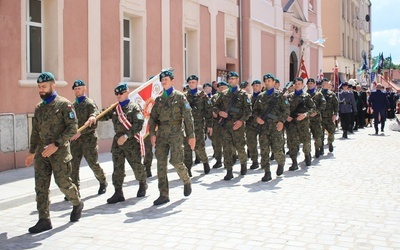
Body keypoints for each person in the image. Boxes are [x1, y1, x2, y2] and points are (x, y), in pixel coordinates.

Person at [25, 72, 83, 234]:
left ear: (53, 86)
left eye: (44, 87)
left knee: (63, 183)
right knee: (41, 187)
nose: (41, 90)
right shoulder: (39, 108)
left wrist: (56, 144)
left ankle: (77, 202)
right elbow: (35, 132)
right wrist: (31, 152)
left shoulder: (64, 105)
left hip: (59, 152)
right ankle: (44, 220)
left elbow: (72, 128)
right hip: (42, 153)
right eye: (39, 87)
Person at [149, 70, 194, 205]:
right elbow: (153, 118)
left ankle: (186, 180)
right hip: (162, 134)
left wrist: (191, 135)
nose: (164, 82)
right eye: (162, 80)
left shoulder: (180, 97)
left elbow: (188, 117)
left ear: (172, 80)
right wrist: (152, 134)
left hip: (176, 134)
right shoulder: (159, 99)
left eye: (166, 79)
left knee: (176, 161)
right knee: (161, 164)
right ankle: (163, 194)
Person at [97, 82, 148, 204]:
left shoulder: (134, 107)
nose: (118, 96)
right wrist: (94, 117)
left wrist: (126, 136)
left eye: (120, 93)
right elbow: (102, 115)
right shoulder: (115, 108)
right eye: (116, 94)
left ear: (127, 92)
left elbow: (139, 125)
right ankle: (118, 192)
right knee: (117, 168)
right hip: (118, 143)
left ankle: (142, 183)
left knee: (136, 166)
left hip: (131, 142)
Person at [70, 79, 108, 197]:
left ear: (84, 89)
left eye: (79, 88)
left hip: (88, 140)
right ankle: (74, 191)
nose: (77, 91)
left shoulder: (89, 103)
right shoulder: (72, 105)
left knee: (93, 163)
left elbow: (94, 119)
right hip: (75, 141)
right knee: (73, 165)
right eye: (75, 89)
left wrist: (81, 132)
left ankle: (102, 181)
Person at [213, 71, 252, 180]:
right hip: (226, 125)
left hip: (237, 125)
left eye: (233, 79)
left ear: (237, 80)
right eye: (229, 79)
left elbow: (248, 111)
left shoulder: (243, 95)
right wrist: (220, 112)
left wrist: (241, 121)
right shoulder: (223, 94)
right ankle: (229, 170)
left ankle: (243, 164)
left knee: (239, 147)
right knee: (227, 148)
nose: (231, 81)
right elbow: (215, 106)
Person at [253, 74, 289, 181]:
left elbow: (286, 110)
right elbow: (255, 111)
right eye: (266, 81)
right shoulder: (260, 96)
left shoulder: (280, 96)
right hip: (264, 127)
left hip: (276, 127)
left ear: (274, 82)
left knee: (277, 149)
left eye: (269, 80)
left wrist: (281, 122)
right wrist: (257, 118)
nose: (267, 82)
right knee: (264, 150)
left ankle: (281, 162)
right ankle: (267, 172)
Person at [184, 75, 212, 177]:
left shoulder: (202, 96)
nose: (191, 84)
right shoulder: (184, 96)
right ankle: (188, 169)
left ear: (197, 83)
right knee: (187, 149)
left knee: (199, 147)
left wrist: (209, 125)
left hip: (199, 126)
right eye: (190, 83)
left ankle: (205, 162)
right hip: (187, 127)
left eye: (193, 82)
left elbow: (208, 111)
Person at [285, 77, 316, 170]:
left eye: (299, 84)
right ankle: (294, 162)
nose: (297, 85)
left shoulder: (306, 96)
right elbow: (283, 108)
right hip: (292, 123)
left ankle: (307, 155)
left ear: (302, 85)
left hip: (303, 123)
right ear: (293, 85)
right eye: (296, 84)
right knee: (292, 143)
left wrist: (305, 114)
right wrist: (286, 116)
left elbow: (313, 108)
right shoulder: (289, 96)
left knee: (306, 141)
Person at [209, 81, 229, 169]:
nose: (221, 89)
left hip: (227, 122)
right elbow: (210, 107)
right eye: (219, 87)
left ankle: (228, 160)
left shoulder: (229, 97)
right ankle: (218, 160)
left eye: (223, 87)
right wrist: (214, 112)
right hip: (216, 123)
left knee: (227, 142)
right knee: (216, 142)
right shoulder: (214, 97)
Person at [306, 78, 326, 158]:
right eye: (309, 83)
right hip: (306, 119)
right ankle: (307, 152)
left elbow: (323, 104)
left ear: (314, 84)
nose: (310, 85)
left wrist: (316, 112)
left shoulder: (319, 94)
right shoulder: (304, 94)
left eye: (311, 83)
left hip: (316, 119)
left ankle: (317, 148)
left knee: (317, 135)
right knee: (306, 137)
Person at [246, 80, 263, 170]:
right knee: (251, 143)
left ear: (260, 87)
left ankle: (264, 161)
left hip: (262, 123)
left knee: (264, 143)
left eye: (257, 85)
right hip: (250, 123)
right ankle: (254, 161)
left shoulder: (264, 97)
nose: (255, 87)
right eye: (254, 86)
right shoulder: (248, 97)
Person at [320, 80, 338, 154]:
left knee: (331, 131)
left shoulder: (332, 94)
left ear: (328, 85)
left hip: (329, 117)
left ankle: (330, 142)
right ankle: (321, 147)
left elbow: (336, 105)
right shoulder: (318, 94)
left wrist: (335, 114)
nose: (325, 85)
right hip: (320, 117)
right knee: (320, 133)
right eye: (323, 84)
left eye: (326, 84)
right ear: (321, 85)